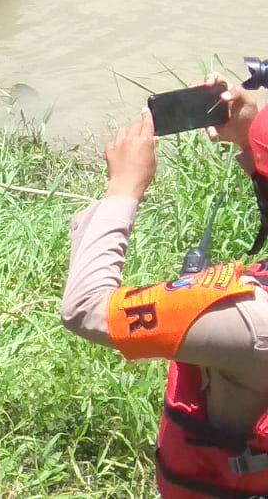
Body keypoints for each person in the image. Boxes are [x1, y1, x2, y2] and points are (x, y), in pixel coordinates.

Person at [62, 84, 268, 499]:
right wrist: (254, 131)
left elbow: (85, 309)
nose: (246, 158)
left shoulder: (252, 321)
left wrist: (123, 189)